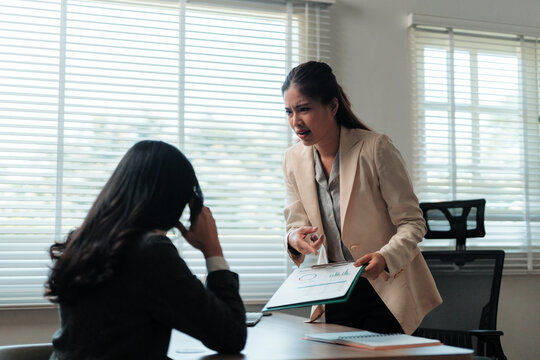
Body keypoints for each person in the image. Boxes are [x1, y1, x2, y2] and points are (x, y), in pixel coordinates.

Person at [45, 140, 247, 359]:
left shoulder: (81, 240)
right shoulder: (150, 252)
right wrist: (213, 250)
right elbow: (231, 335)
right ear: (175, 200)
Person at [282, 61, 442, 335]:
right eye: (289, 111)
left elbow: (413, 223)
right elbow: (295, 225)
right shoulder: (293, 158)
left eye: (304, 109)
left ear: (332, 107)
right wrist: (295, 239)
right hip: (336, 292)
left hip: (387, 289)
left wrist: (384, 256)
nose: (296, 121)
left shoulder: (375, 148)